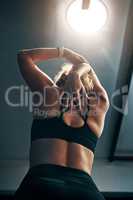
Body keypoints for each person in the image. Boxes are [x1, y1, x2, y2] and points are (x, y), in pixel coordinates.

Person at [14, 47, 109, 200]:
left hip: (41, 183)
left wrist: (64, 52)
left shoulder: (50, 94)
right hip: (86, 191)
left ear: (60, 81)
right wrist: (77, 73)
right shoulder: (97, 107)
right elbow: (87, 66)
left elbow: (24, 56)